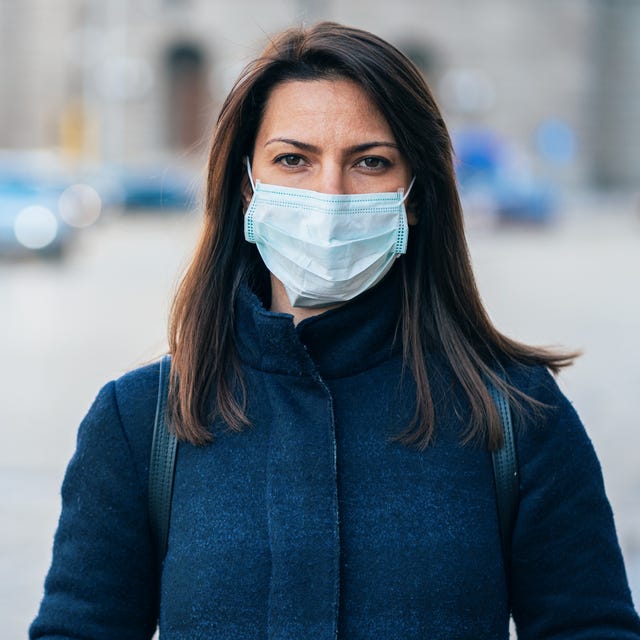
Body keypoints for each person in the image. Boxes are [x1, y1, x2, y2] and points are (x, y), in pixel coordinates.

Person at [30, 22, 639, 640]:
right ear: (247, 187)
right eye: (293, 159)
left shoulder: (517, 417)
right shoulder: (141, 423)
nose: (330, 194)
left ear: (415, 195)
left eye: (370, 162)